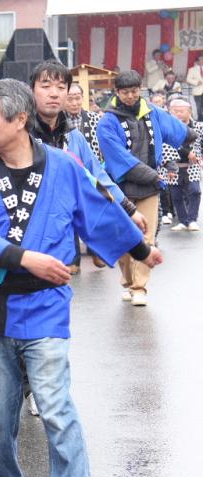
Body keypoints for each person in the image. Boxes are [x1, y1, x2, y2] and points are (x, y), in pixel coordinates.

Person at [0, 78, 163, 477]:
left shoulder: (63, 167)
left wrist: (141, 250)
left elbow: (98, 211)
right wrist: (25, 258)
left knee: (55, 406)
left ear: (19, 120)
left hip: (45, 305)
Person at [29, 60, 150, 275]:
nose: (54, 93)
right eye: (45, 86)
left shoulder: (73, 137)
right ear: (31, 90)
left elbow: (97, 176)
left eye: (61, 87)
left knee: (61, 284)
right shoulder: (19, 133)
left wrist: (129, 209)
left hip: (62, 228)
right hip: (26, 230)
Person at [98, 69, 195, 306]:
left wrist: (190, 140)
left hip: (150, 185)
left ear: (140, 89)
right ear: (117, 92)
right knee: (123, 236)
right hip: (121, 186)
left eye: (134, 91)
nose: (131, 96)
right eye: (125, 92)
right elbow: (118, 158)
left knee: (146, 235)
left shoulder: (152, 112)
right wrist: (153, 176)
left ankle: (139, 287)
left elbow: (176, 130)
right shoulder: (107, 122)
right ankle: (127, 281)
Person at [165, 97, 203, 231]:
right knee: (176, 195)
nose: (178, 114)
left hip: (192, 165)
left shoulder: (199, 127)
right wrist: (187, 152)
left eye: (182, 111)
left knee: (195, 191)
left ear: (189, 111)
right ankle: (183, 221)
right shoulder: (168, 128)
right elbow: (168, 145)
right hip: (174, 166)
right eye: (175, 111)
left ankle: (192, 220)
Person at [64, 83, 103, 162]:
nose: (74, 103)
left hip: (92, 166)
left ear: (83, 98)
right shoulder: (57, 121)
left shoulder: (95, 118)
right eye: (69, 99)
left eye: (77, 98)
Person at [185, 55, 203, 120]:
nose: (202, 60)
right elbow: (188, 79)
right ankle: (200, 121)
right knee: (198, 107)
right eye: (200, 59)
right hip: (197, 91)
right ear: (197, 61)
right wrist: (196, 82)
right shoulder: (192, 69)